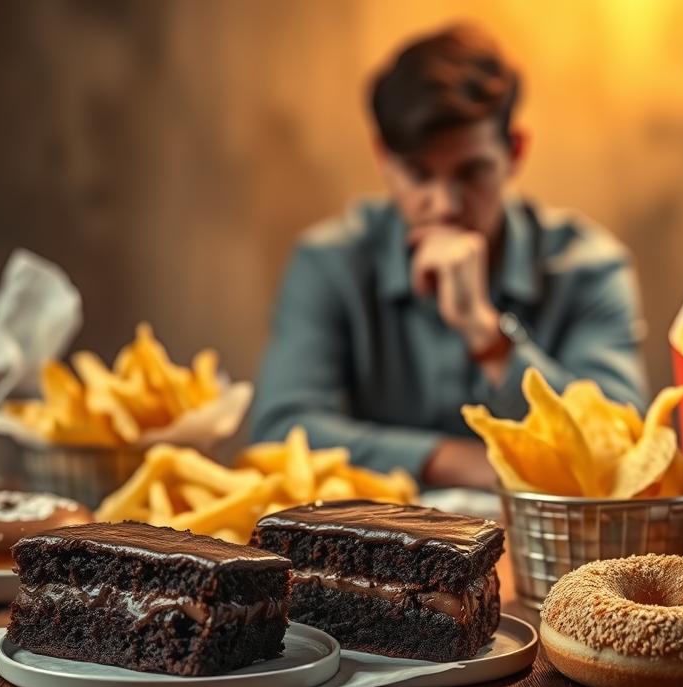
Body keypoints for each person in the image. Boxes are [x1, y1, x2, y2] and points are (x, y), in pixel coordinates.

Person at [250, 24, 647, 489]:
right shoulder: (329, 263)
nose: (444, 204)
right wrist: (455, 460)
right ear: (383, 157)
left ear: (514, 152)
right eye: (418, 175)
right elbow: (279, 431)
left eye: (472, 171)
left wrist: (486, 332)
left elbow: (621, 447)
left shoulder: (590, 268)